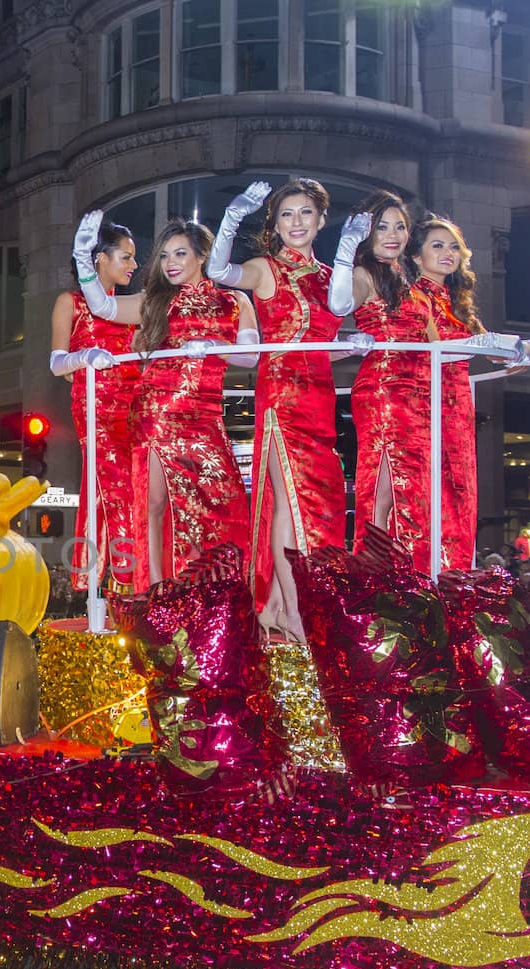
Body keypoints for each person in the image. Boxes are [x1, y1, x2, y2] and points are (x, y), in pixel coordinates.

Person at [205, 178, 364, 639]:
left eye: (306, 213)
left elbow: (323, 340)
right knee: (288, 503)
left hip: (320, 398)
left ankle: (277, 602)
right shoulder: (265, 269)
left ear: (320, 220)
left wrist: (351, 345)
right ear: (274, 223)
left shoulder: (330, 275)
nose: (296, 222)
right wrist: (232, 217)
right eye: (287, 214)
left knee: (321, 504)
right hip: (282, 396)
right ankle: (295, 609)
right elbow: (220, 272)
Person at [81, 219, 257, 587]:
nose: (170, 262)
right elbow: (103, 308)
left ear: (202, 255)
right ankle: (155, 591)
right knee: (154, 504)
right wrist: (84, 261)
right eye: (163, 256)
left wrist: (216, 347)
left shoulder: (234, 301)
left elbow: (251, 356)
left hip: (206, 416)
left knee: (226, 506)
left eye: (180, 253)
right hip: (156, 411)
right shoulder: (157, 301)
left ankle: (214, 590)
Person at [409, 215, 530, 570]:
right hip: (425, 400)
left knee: (460, 489)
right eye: (437, 245)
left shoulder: (457, 301)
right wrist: (492, 345)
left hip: (458, 402)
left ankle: (455, 572)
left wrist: (521, 351)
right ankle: (430, 576)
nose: (448, 253)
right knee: (432, 490)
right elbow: (440, 348)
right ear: (417, 256)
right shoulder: (413, 294)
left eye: (453, 247)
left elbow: (489, 346)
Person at [333, 191, 444, 564]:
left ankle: (404, 567)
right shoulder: (364, 274)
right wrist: (345, 247)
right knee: (383, 486)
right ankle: (375, 570)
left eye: (400, 226)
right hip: (383, 389)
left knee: (412, 487)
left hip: (419, 395)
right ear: (369, 232)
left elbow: (437, 345)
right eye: (382, 227)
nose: (393, 234)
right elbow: (341, 304)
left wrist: (497, 349)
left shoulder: (413, 282)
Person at [63, 215, 141, 592]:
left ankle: (97, 582)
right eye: (125, 257)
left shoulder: (130, 307)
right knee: (117, 486)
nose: (133, 265)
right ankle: (127, 579)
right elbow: (56, 363)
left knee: (115, 489)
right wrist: (84, 358)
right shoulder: (71, 303)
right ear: (99, 259)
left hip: (134, 409)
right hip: (95, 407)